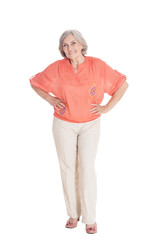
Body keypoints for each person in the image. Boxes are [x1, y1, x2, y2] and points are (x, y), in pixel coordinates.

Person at [29, 29, 128, 234]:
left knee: (86, 168)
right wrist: (50, 99)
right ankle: (73, 214)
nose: (69, 48)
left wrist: (107, 108)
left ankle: (90, 218)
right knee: (67, 168)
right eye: (65, 45)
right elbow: (35, 82)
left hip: (90, 123)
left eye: (73, 43)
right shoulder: (57, 68)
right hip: (63, 123)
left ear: (82, 45)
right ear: (61, 49)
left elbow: (122, 84)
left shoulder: (97, 65)